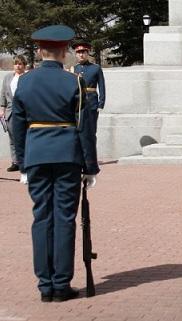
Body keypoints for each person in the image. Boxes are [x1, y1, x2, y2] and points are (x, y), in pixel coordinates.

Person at [12, 25, 100, 302]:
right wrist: (90, 166)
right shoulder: (72, 81)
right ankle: (61, 284)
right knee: (64, 219)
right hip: (67, 156)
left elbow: (18, 125)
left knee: (41, 218)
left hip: (37, 155)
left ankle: (45, 285)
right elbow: (84, 127)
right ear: (65, 52)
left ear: (39, 51)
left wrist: (23, 163)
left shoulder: (24, 82)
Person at [70, 41, 105, 136]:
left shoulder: (95, 68)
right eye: (78, 52)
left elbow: (102, 86)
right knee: (77, 129)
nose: (81, 55)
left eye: (83, 52)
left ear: (87, 53)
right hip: (77, 104)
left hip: (91, 103)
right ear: (76, 54)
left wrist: (101, 103)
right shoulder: (73, 69)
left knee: (91, 130)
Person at [1, 55, 27, 172]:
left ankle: (26, 161)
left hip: (26, 111)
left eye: (20, 63)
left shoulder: (28, 77)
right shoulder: (7, 78)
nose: (18, 66)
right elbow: (3, 94)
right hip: (10, 111)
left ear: (24, 65)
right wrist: (2, 107)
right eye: (16, 63)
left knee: (25, 137)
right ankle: (15, 162)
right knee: (12, 138)